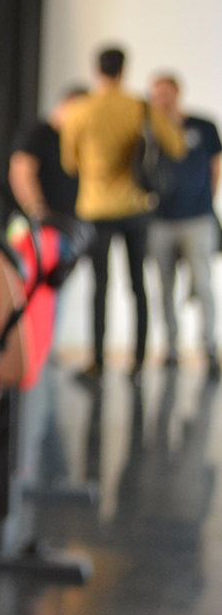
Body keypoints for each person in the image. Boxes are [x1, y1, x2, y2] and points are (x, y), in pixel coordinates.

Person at [60, 46, 185, 380]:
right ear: (123, 71)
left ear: (96, 70)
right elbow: (177, 146)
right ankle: (139, 360)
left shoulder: (80, 110)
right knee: (137, 284)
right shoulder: (140, 107)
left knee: (99, 285)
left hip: (95, 206)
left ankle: (97, 361)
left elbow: (69, 163)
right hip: (135, 205)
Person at [145, 73, 221, 375]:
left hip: (197, 218)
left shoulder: (203, 126)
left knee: (202, 284)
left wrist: (206, 200)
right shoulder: (149, 132)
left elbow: (215, 166)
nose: (161, 99)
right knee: (163, 287)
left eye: (166, 92)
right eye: (156, 94)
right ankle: (171, 348)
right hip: (161, 220)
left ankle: (209, 348)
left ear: (177, 92)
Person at [9, 86, 89, 219]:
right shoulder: (38, 133)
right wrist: (38, 212)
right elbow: (21, 174)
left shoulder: (76, 142)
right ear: (67, 104)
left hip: (71, 222)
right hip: (40, 223)